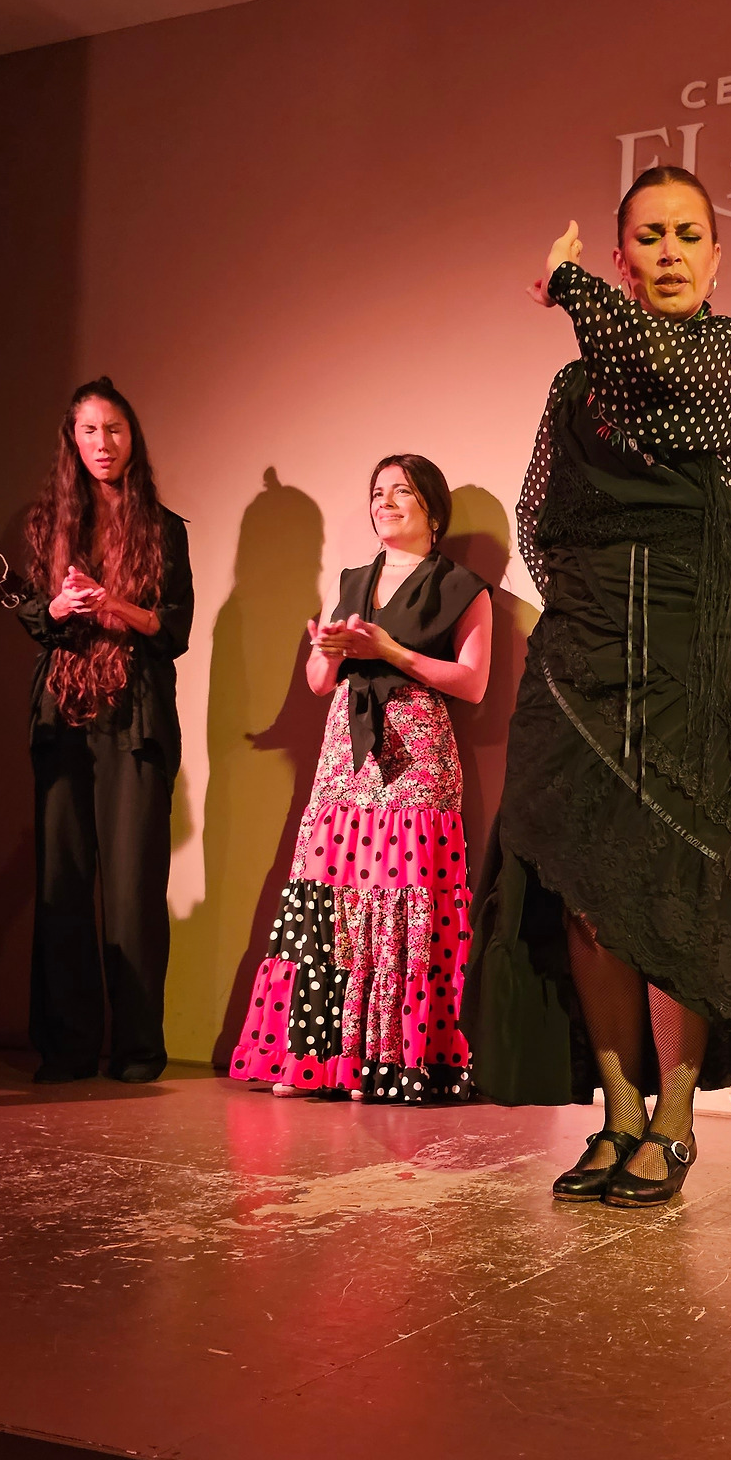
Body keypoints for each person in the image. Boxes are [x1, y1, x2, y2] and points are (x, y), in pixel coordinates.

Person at [462, 166, 731, 1205]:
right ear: (622, 257)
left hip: (701, 647)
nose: (670, 253)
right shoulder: (576, 384)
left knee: (678, 885)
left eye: (688, 235)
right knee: (586, 886)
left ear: (716, 255)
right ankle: (616, 1112)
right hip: (589, 646)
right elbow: (540, 513)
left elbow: (667, 384)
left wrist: (571, 290)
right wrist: (580, 612)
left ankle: (675, 1122)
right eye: (649, 237)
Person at [230, 454, 491, 1102]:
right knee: (330, 901)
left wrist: (391, 652)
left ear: (433, 510)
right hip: (346, 755)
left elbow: (473, 682)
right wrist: (326, 651)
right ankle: (321, 1059)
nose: (386, 502)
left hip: (416, 757)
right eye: (378, 492)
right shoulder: (350, 581)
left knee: (402, 906)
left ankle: (388, 1062)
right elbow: (321, 683)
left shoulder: (464, 587)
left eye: (402, 491)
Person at [16, 377, 194, 1083]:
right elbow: (33, 614)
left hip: (134, 721)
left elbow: (174, 628)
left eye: (114, 429)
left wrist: (114, 603)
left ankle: (138, 1049)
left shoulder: (164, 527)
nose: (102, 443)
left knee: (132, 893)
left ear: (132, 437)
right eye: (89, 430)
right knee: (62, 888)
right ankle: (67, 1046)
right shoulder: (47, 523)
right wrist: (59, 607)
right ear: (72, 439)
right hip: (63, 718)